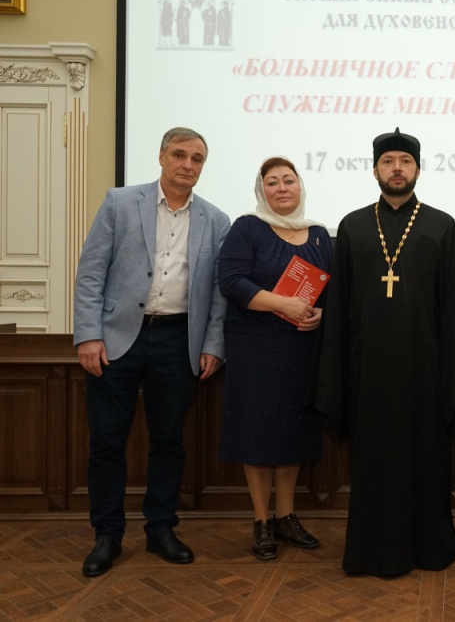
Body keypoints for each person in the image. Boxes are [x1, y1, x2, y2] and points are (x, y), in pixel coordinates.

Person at [309, 127, 455, 577]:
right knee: (373, 460)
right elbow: (340, 307)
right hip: (368, 368)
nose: (397, 169)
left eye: (405, 161)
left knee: (424, 457)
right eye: (388, 161)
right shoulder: (352, 226)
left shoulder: (441, 225)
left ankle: (429, 546)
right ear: (374, 170)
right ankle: (371, 551)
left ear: (418, 170)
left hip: (424, 370)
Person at [73, 127, 230, 577]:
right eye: (179, 155)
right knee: (107, 441)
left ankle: (161, 529)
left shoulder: (216, 220)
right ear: (161, 156)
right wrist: (88, 335)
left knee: (168, 441)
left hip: (178, 340)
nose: (187, 165)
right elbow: (91, 272)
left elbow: (218, 294)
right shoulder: (120, 202)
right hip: (116, 339)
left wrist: (213, 344)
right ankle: (107, 535)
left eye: (197, 159)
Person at [218, 157, 331, 561]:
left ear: (300, 186)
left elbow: (334, 290)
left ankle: (286, 515)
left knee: (292, 432)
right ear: (261, 190)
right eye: (272, 182)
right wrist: (283, 303)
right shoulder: (247, 227)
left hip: (301, 348)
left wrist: (321, 315)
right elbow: (231, 282)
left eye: (288, 180)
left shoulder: (320, 234)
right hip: (255, 346)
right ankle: (262, 520)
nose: (281, 188)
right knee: (257, 432)